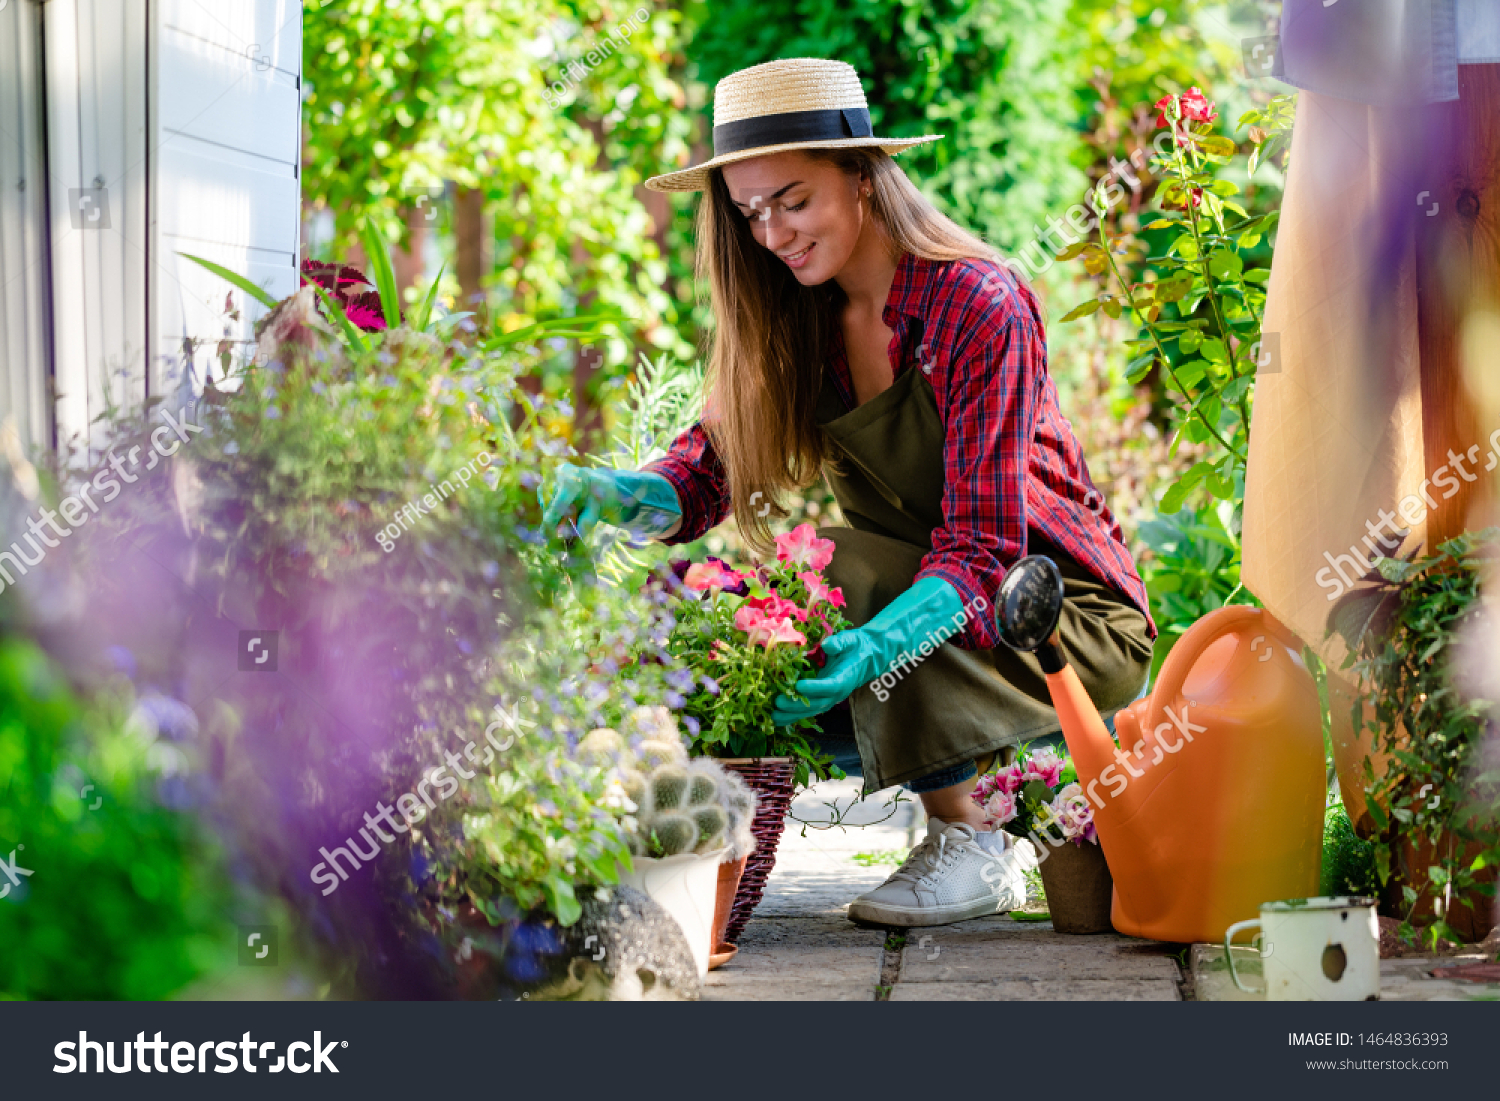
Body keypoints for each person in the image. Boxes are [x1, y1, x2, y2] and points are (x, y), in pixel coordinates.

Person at [541, 58, 1156, 928]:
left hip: (1058, 617)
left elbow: (985, 549)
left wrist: (876, 644)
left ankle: (973, 839)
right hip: (911, 600)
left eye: (792, 200)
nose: (773, 234)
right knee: (722, 632)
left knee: (840, 570)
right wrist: (620, 493)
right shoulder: (799, 315)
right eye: (751, 212)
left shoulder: (979, 305)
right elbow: (711, 468)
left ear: (862, 175)